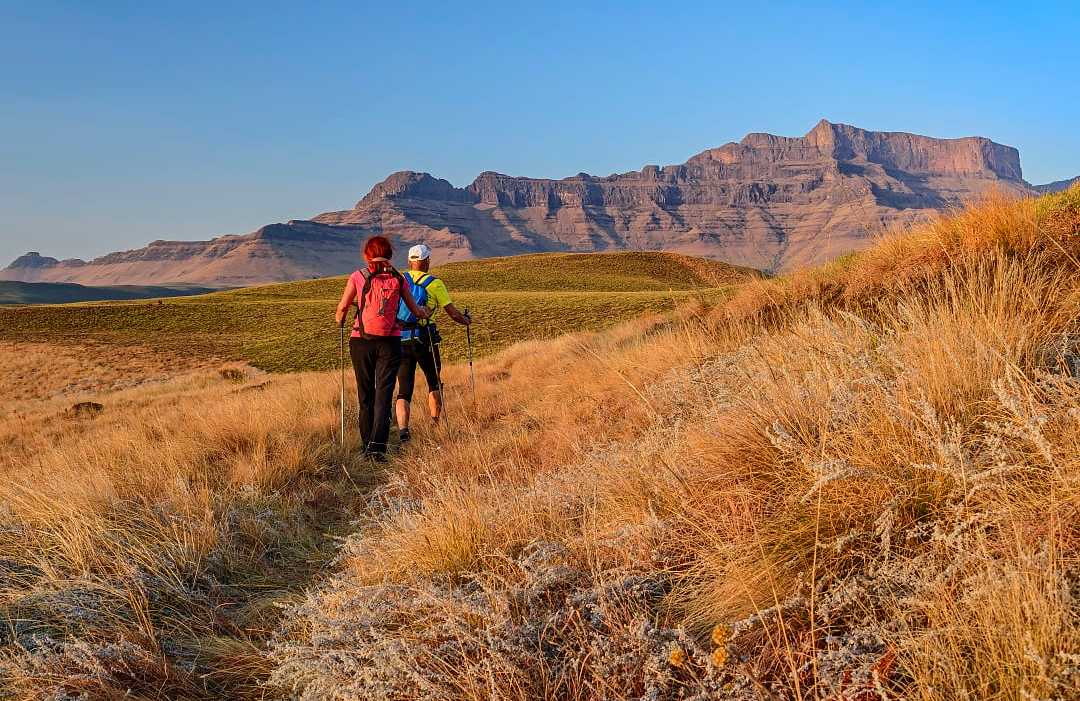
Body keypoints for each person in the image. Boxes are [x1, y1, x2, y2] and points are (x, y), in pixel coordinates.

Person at [335, 236, 429, 460]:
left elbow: (342, 308)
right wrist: (425, 313)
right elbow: (415, 310)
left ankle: (366, 444)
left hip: (361, 340)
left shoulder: (358, 276)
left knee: (365, 393)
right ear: (390, 254)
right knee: (384, 395)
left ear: (367, 254)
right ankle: (378, 447)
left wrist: (340, 319)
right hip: (390, 341)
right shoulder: (398, 278)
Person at [395, 243, 471, 442]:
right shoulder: (435, 283)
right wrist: (466, 322)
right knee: (433, 381)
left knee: (404, 388)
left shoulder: (399, 280)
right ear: (426, 261)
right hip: (425, 339)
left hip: (400, 338)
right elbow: (452, 313)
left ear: (410, 261)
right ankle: (435, 423)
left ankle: (403, 431)